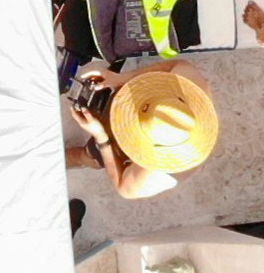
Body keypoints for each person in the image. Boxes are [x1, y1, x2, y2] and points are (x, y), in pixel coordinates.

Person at [66, 61, 220, 202]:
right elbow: (174, 65)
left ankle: (78, 159)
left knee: (91, 156)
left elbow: (123, 187)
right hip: (148, 102)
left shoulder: (158, 173)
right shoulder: (189, 87)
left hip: (121, 145)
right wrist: (120, 79)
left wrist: (101, 137)